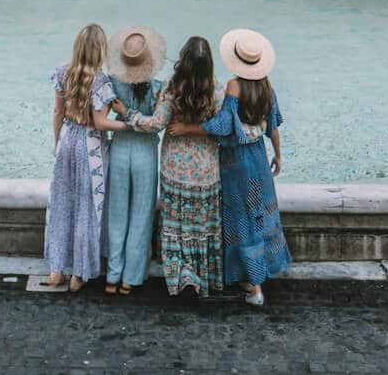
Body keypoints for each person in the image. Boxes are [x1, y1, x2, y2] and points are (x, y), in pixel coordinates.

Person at [168, 28, 290, 308]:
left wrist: (187, 127)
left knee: (242, 221)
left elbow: (224, 127)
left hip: (237, 163)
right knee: (260, 215)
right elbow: (274, 125)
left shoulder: (234, 86)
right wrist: (279, 156)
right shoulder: (267, 87)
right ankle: (259, 274)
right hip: (259, 158)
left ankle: (254, 286)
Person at [127, 36, 225, 298]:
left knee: (177, 225)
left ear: (183, 59)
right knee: (200, 226)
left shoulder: (173, 88)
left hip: (174, 169)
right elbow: (223, 129)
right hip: (205, 171)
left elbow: (157, 124)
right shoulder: (217, 90)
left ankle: (180, 274)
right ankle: (201, 275)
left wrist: (128, 115)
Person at [45, 24, 129, 292]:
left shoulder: (62, 72)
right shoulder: (101, 81)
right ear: (100, 50)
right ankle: (79, 274)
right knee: (87, 209)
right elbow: (100, 123)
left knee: (61, 204)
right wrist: (129, 125)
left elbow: (58, 112)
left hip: (68, 139)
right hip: (91, 146)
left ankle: (56, 270)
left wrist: (58, 143)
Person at [103, 27, 166, 295]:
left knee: (117, 213)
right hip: (145, 153)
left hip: (119, 148)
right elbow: (157, 126)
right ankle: (130, 278)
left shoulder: (111, 84)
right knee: (141, 215)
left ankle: (112, 276)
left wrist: (123, 114)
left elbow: (102, 119)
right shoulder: (159, 89)